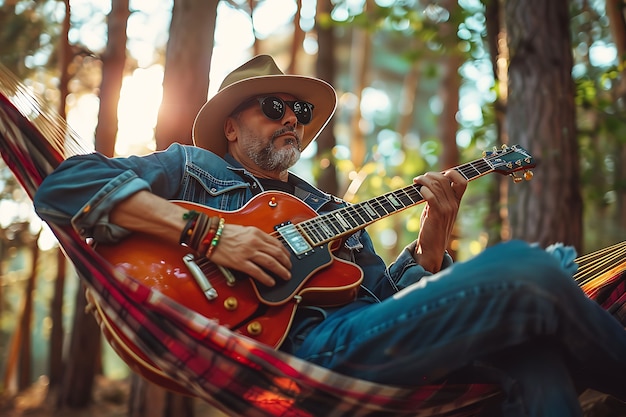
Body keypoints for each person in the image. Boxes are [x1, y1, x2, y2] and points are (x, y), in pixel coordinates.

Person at [34, 55, 626, 416]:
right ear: (232, 126)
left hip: (371, 344)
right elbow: (66, 186)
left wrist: (435, 235)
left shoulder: (327, 209)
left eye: (299, 110)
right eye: (275, 106)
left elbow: (393, 304)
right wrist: (212, 235)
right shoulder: (191, 168)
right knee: (531, 270)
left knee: (536, 357)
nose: (293, 117)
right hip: (301, 357)